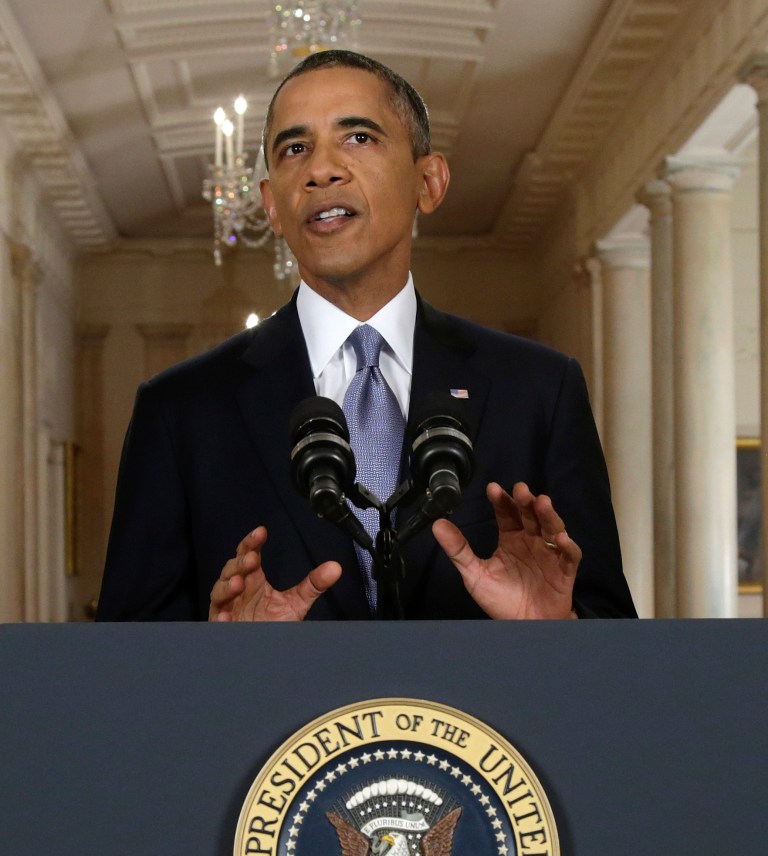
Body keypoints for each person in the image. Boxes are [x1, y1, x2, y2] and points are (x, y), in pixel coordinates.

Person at [97, 50, 635, 623]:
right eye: (295, 148)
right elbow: (127, 673)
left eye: (358, 137)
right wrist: (224, 656)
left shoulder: (539, 390)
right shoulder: (179, 410)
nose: (321, 170)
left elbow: (614, 651)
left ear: (428, 182)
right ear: (272, 205)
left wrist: (556, 630)